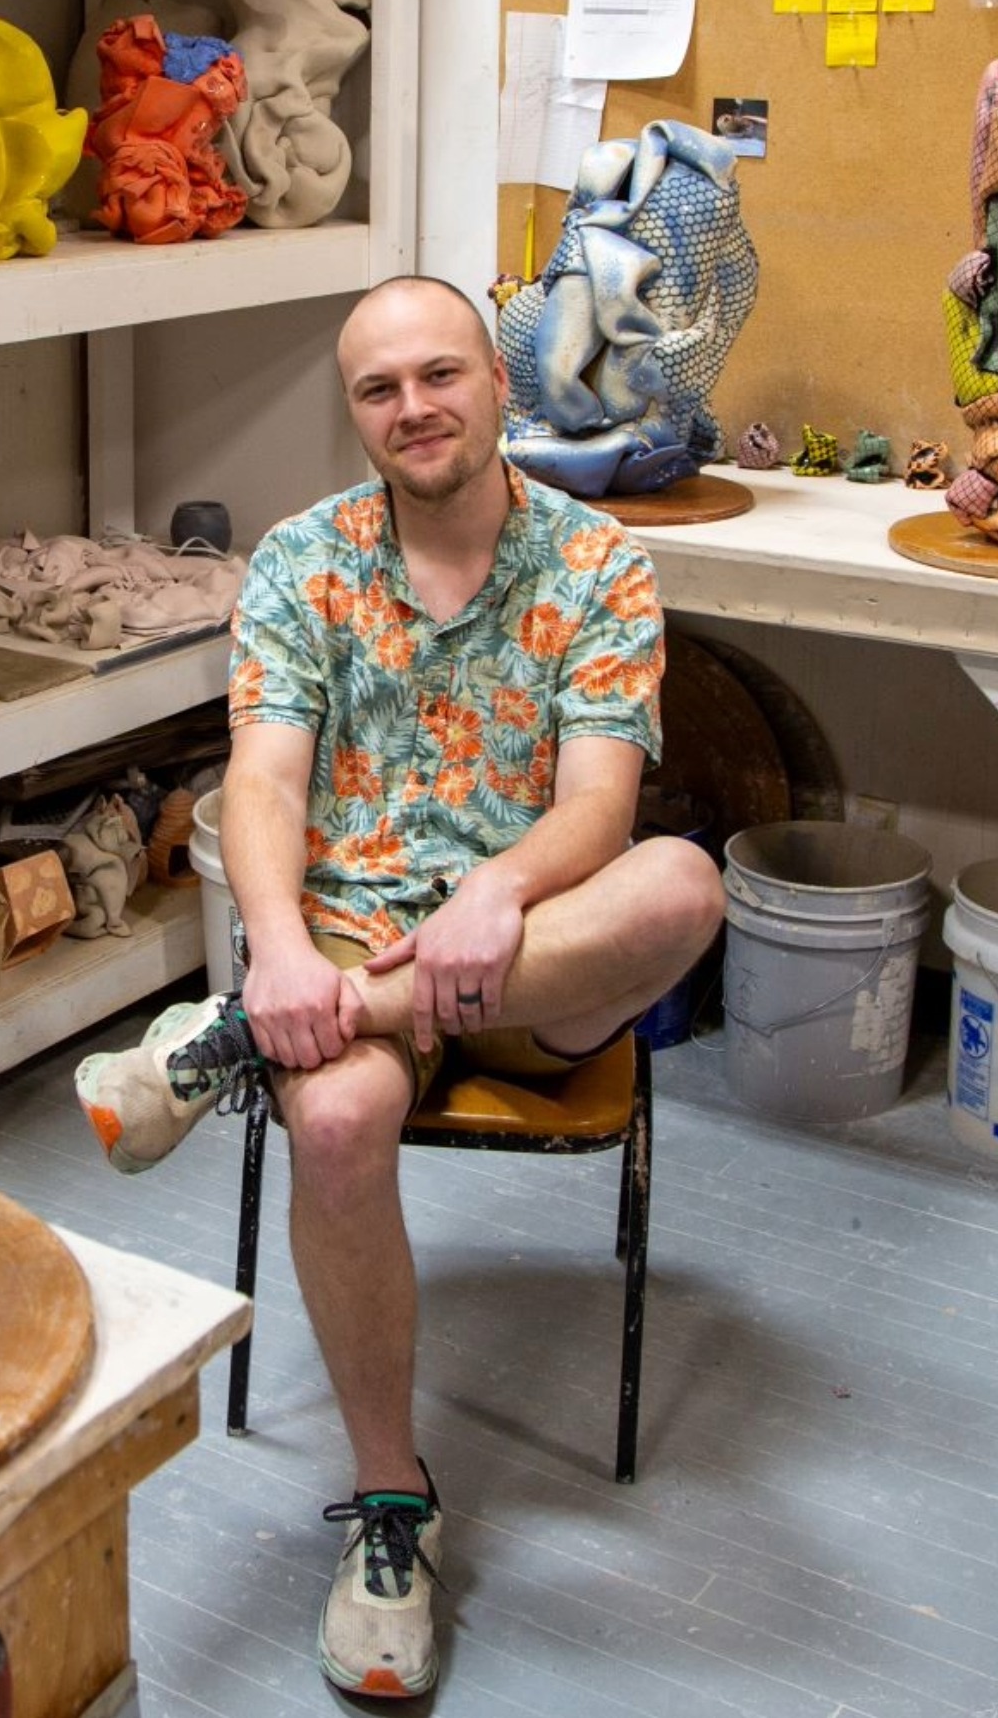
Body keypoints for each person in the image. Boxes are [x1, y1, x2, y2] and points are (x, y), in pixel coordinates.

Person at [73, 275, 724, 1699]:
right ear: (354, 411)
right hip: (348, 946)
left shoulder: (599, 563)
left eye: (440, 374)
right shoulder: (304, 561)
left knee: (684, 886)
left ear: (499, 382)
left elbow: (600, 807)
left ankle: (236, 1041)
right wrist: (279, 942)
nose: (413, 407)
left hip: (532, 962)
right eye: (379, 388)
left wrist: (497, 888)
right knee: (340, 1125)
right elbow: (261, 781)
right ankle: (389, 1507)